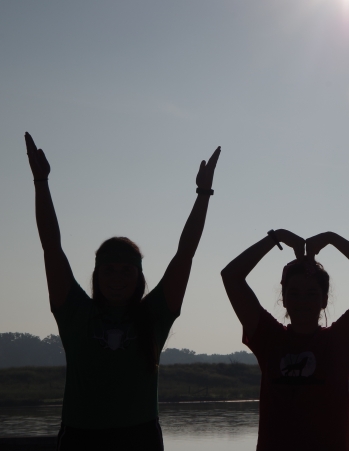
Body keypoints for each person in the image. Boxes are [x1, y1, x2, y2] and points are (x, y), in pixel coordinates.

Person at [25, 132, 220, 450]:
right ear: (96, 274)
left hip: (139, 438)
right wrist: (40, 182)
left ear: (139, 276)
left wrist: (203, 192)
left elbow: (185, 253)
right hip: (81, 438)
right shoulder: (75, 310)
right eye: (108, 270)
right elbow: (51, 248)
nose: (116, 278)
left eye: (126, 270)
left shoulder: (155, 315)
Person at [221, 229, 349, 450]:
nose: (302, 301)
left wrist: (333, 238)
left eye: (311, 293)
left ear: (324, 300)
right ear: (284, 299)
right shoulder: (268, 337)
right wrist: (276, 238)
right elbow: (231, 276)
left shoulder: (340, 341)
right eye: (294, 293)